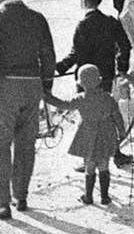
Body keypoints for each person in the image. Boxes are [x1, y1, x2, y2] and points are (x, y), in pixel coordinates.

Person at [0, 0, 56, 219]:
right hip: (33, 86)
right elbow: (49, 55)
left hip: (5, 88)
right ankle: (20, 196)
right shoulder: (37, 17)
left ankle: (2, 204)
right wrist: (46, 85)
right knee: (25, 144)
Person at [56, 0, 134, 170]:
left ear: (83, 2)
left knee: (88, 120)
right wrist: (122, 66)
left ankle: (90, 160)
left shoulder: (82, 25)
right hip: (105, 77)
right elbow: (125, 45)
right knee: (106, 117)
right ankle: (116, 154)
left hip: (85, 80)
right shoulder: (110, 21)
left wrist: (59, 68)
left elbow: (75, 55)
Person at [44, 65, 127, 205]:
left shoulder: (80, 99)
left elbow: (64, 105)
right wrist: (122, 131)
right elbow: (117, 116)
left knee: (89, 165)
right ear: (99, 80)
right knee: (104, 164)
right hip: (106, 134)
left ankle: (88, 196)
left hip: (87, 134)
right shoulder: (108, 98)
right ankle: (105, 197)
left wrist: (47, 97)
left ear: (81, 83)